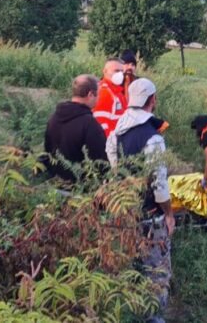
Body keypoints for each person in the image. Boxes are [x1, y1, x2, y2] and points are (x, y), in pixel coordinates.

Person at [110, 78, 174, 323]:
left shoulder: (117, 132)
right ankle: (153, 316)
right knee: (156, 270)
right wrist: (168, 215)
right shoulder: (153, 138)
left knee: (129, 265)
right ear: (153, 100)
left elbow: (115, 168)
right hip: (150, 215)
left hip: (125, 212)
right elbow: (159, 186)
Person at [43, 74, 108, 182]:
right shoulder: (90, 124)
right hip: (79, 188)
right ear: (90, 94)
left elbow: (47, 152)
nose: (99, 98)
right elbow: (100, 162)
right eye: (98, 94)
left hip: (53, 184)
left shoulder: (54, 118)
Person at [94, 57, 127, 139]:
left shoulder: (117, 91)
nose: (120, 74)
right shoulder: (104, 92)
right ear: (105, 71)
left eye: (122, 71)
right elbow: (100, 123)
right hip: (111, 143)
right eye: (116, 71)